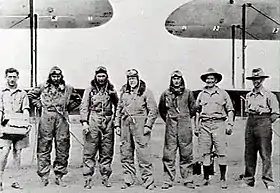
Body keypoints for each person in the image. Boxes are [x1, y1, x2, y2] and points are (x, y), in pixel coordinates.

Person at [28, 66, 81, 187]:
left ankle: (59, 175)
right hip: (47, 117)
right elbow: (31, 95)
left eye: (58, 76)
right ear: (50, 77)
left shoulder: (68, 88)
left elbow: (78, 99)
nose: (56, 78)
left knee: (63, 146)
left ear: (61, 77)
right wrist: (39, 104)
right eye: (53, 76)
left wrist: (68, 107)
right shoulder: (43, 87)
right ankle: (44, 175)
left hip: (61, 119)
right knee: (44, 146)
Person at [114, 69, 158, 190]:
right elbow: (118, 110)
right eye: (129, 78)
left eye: (134, 78)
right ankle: (128, 179)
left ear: (138, 79)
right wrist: (117, 125)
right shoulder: (124, 93)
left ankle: (148, 181)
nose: (131, 81)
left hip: (140, 125)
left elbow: (153, 111)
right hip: (125, 125)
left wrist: (148, 125)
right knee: (126, 152)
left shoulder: (146, 92)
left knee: (143, 154)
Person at [194, 68, 234, 189]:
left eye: (212, 78)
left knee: (221, 152)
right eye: (207, 78)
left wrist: (230, 124)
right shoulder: (201, 94)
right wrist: (196, 126)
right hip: (205, 125)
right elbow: (197, 112)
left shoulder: (223, 93)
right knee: (205, 153)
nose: (209, 80)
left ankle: (223, 179)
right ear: (205, 80)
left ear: (216, 80)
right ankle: (206, 178)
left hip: (219, 125)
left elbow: (230, 110)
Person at [240, 68, 279, 190]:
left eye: (258, 79)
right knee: (249, 153)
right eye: (254, 79)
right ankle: (248, 179)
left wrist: (265, 122)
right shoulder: (248, 95)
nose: (256, 81)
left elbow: (276, 113)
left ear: (262, 79)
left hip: (264, 123)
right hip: (251, 123)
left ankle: (268, 181)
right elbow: (247, 110)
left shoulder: (269, 95)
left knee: (265, 153)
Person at [80, 66, 118, 189]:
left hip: (107, 120)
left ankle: (105, 176)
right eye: (99, 76)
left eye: (103, 76)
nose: (101, 78)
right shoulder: (90, 90)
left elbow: (118, 106)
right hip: (93, 119)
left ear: (106, 76)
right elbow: (84, 106)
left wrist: (115, 122)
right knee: (90, 150)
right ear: (95, 76)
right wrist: (84, 122)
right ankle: (87, 177)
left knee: (107, 150)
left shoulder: (111, 90)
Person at [158, 70, 197, 189]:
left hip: (185, 126)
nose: (176, 81)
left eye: (178, 78)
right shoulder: (166, 93)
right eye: (174, 79)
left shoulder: (188, 93)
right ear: (171, 80)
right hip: (171, 126)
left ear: (181, 80)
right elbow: (162, 110)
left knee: (186, 153)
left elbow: (193, 109)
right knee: (169, 153)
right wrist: (170, 120)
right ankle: (168, 179)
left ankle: (188, 178)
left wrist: (183, 118)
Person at [0, 68, 30, 191]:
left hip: (19, 128)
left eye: (14, 77)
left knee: (17, 154)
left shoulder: (22, 93)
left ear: (17, 77)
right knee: (4, 153)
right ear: (6, 77)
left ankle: (16, 180)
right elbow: (0, 110)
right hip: (6, 127)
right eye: (9, 76)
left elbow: (26, 109)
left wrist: (26, 123)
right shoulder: (2, 92)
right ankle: (0, 180)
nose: (12, 79)